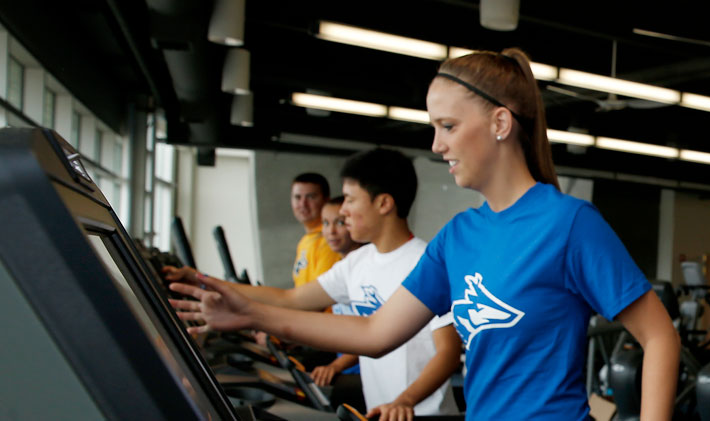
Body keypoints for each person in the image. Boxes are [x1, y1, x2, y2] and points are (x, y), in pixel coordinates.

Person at [170, 49, 679, 421]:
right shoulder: (459, 236)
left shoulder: (568, 224)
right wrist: (251, 313)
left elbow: (658, 337)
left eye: (448, 126)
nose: (437, 145)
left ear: (500, 123)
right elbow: (374, 334)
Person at [168, 150, 461, 420]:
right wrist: (204, 281)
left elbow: (447, 352)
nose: (342, 210)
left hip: (420, 413)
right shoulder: (357, 262)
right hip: (381, 411)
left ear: (384, 203)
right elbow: (290, 298)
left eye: (350, 199)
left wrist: (405, 400)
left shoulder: (425, 263)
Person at [312, 196, 363, 382]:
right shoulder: (339, 268)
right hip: (346, 369)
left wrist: (336, 366)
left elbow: (372, 334)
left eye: (340, 223)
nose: (331, 231)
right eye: (325, 223)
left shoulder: (364, 269)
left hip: (363, 373)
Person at [291, 172, 343, 289]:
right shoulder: (306, 240)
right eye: (297, 197)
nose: (303, 204)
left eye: (311, 197)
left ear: (326, 200)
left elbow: (319, 297)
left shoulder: (332, 239)